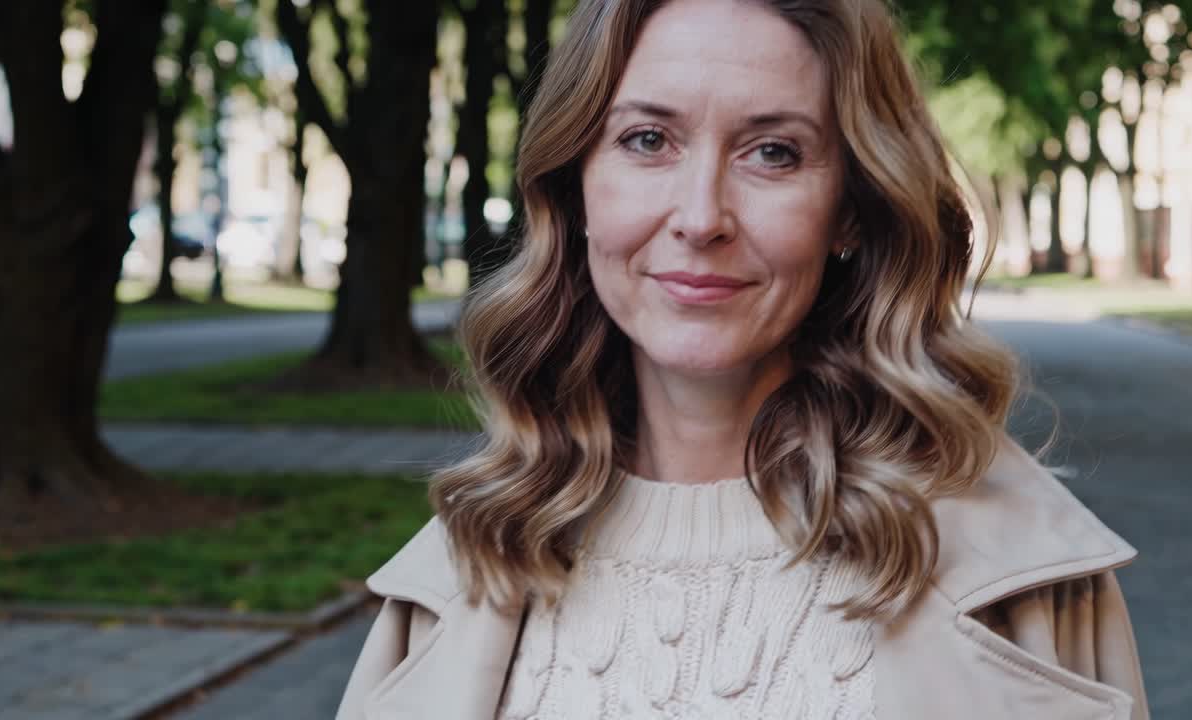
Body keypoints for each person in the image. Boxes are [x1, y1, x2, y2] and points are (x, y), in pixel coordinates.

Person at [336, 0, 1149, 718]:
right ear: (576, 184)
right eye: (647, 140)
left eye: (774, 153)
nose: (701, 218)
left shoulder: (1024, 580)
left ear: (851, 211)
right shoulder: (461, 569)